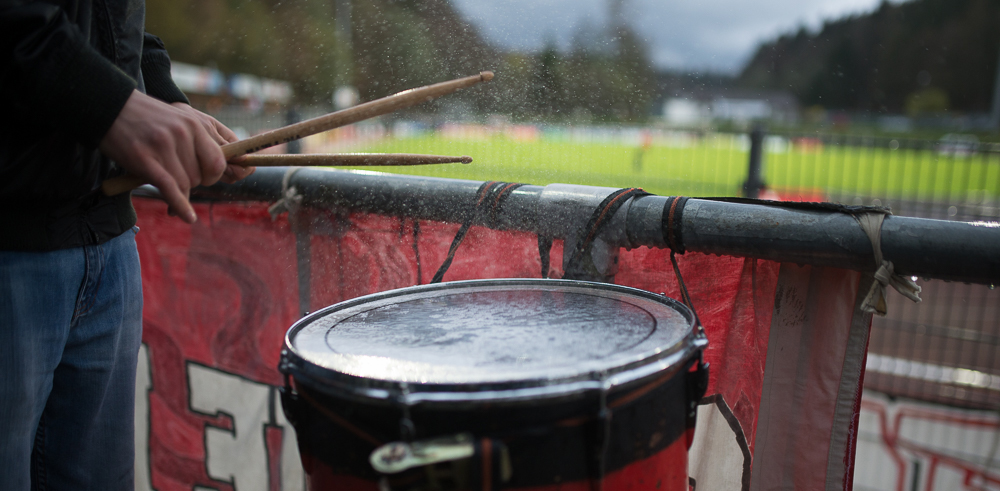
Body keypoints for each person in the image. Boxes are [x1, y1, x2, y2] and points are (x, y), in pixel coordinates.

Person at [0, 1, 254, 489]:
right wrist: (111, 105)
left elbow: (105, 18)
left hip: (110, 239)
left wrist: (161, 92)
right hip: (13, 245)